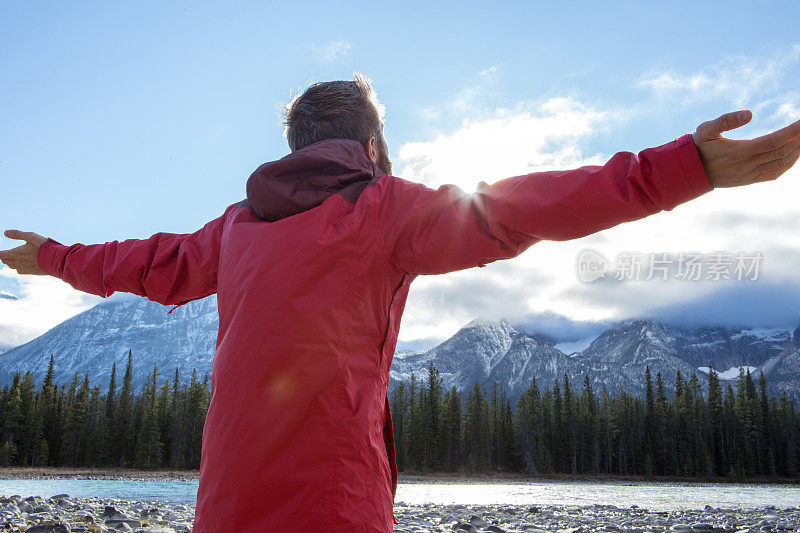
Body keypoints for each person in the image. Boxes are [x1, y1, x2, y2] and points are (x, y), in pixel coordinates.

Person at [2, 75, 799, 532]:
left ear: (298, 148)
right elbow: (524, 206)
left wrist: (53, 257)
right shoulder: (381, 209)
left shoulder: (237, 227)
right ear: (373, 148)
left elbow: (146, 261)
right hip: (337, 507)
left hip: (224, 506)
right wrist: (687, 167)